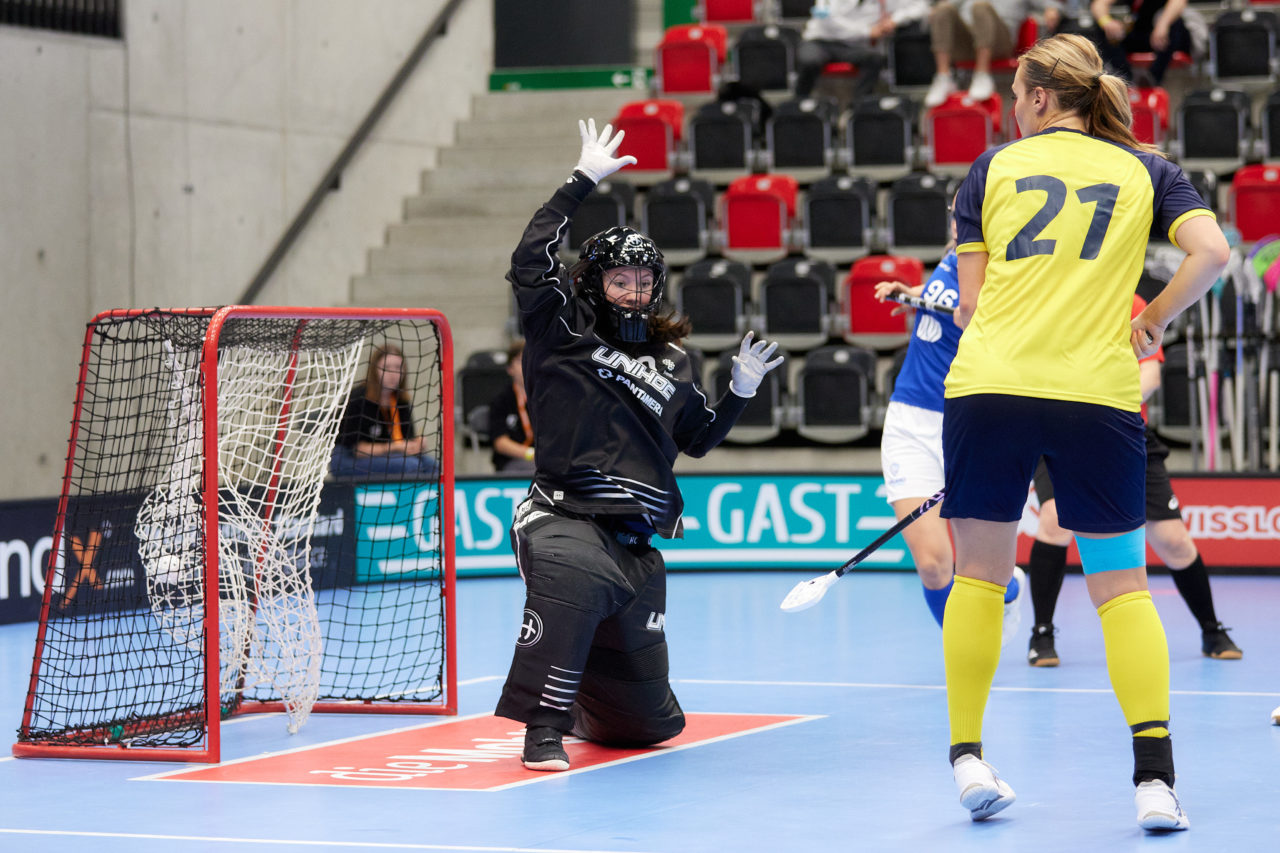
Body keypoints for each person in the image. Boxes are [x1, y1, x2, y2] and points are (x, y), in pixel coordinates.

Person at [938, 34, 1229, 831]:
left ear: (1039, 98)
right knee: (1121, 586)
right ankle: (1155, 781)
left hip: (989, 386)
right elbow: (1212, 252)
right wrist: (1153, 318)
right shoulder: (1147, 169)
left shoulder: (990, 169)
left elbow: (971, 306)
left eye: (1014, 94)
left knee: (978, 578)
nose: (1012, 107)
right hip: (1095, 392)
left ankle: (968, 760)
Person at [494, 119, 784, 772]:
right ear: (594, 281)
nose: (634, 290)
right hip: (562, 515)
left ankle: (591, 712)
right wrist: (579, 183)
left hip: (635, 542)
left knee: (647, 726)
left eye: (644, 280)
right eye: (620, 279)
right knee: (574, 581)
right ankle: (543, 729)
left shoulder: (674, 361)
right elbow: (529, 263)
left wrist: (739, 393)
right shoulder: (561, 326)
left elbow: (697, 441)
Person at [1026, 295, 1242, 667]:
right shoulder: (1050, 298)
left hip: (1124, 432)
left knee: (1174, 541)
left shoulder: (1128, 300)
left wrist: (1101, 407)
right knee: (1054, 520)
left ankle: (1211, 629)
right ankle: (1041, 633)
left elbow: (1151, 375)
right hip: (1061, 432)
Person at [874, 208, 1025, 643]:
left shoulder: (1009, 272)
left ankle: (1012, 588)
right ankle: (964, 654)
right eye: (954, 215)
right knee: (933, 564)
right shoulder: (955, 256)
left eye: (967, 215)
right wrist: (914, 294)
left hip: (968, 425)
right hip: (908, 421)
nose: (957, 224)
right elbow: (946, 296)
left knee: (982, 569)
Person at [924, 0, 1063, 107]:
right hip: (969, 42)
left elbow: (1053, 4)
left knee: (981, 6)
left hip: (1000, 42)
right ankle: (943, 76)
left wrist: (1052, 9)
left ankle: (982, 73)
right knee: (942, 9)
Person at [330, 344, 439, 478]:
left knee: (432, 466)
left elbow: (406, 439)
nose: (393, 374)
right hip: (348, 459)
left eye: (398, 367)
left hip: (388, 455)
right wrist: (395, 447)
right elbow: (357, 450)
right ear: (375, 370)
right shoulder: (358, 399)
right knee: (410, 466)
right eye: (386, 368)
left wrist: (415, 444)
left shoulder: (401, 401)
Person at [794, 0, 930, 99]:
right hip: (820, 40)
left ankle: (857, 109)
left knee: (875, 59)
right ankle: (799, 103)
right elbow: (827, 20)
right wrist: (867, 31)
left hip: (853, 46)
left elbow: (920, 6)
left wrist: (895, 19)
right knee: (809, 60)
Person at [1085, 0, 1195, 87]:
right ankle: (1125, 77)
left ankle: (1153, 77)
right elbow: (1098, 4)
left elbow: (1179, 2)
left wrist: (1163, 24)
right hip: (1142, 36)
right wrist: (1106, 22)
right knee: (1102, 28)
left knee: (1175, 23)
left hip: (1168, 38)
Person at [488, 340, 536, 474]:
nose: (527, 364)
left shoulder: (546, 397)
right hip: (512, 461)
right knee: (538, 471)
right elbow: (500, 443)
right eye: (521, 360)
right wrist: (531, 454)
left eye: (530, 359)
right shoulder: (501, 400)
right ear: (510, 369)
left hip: (543, 460)